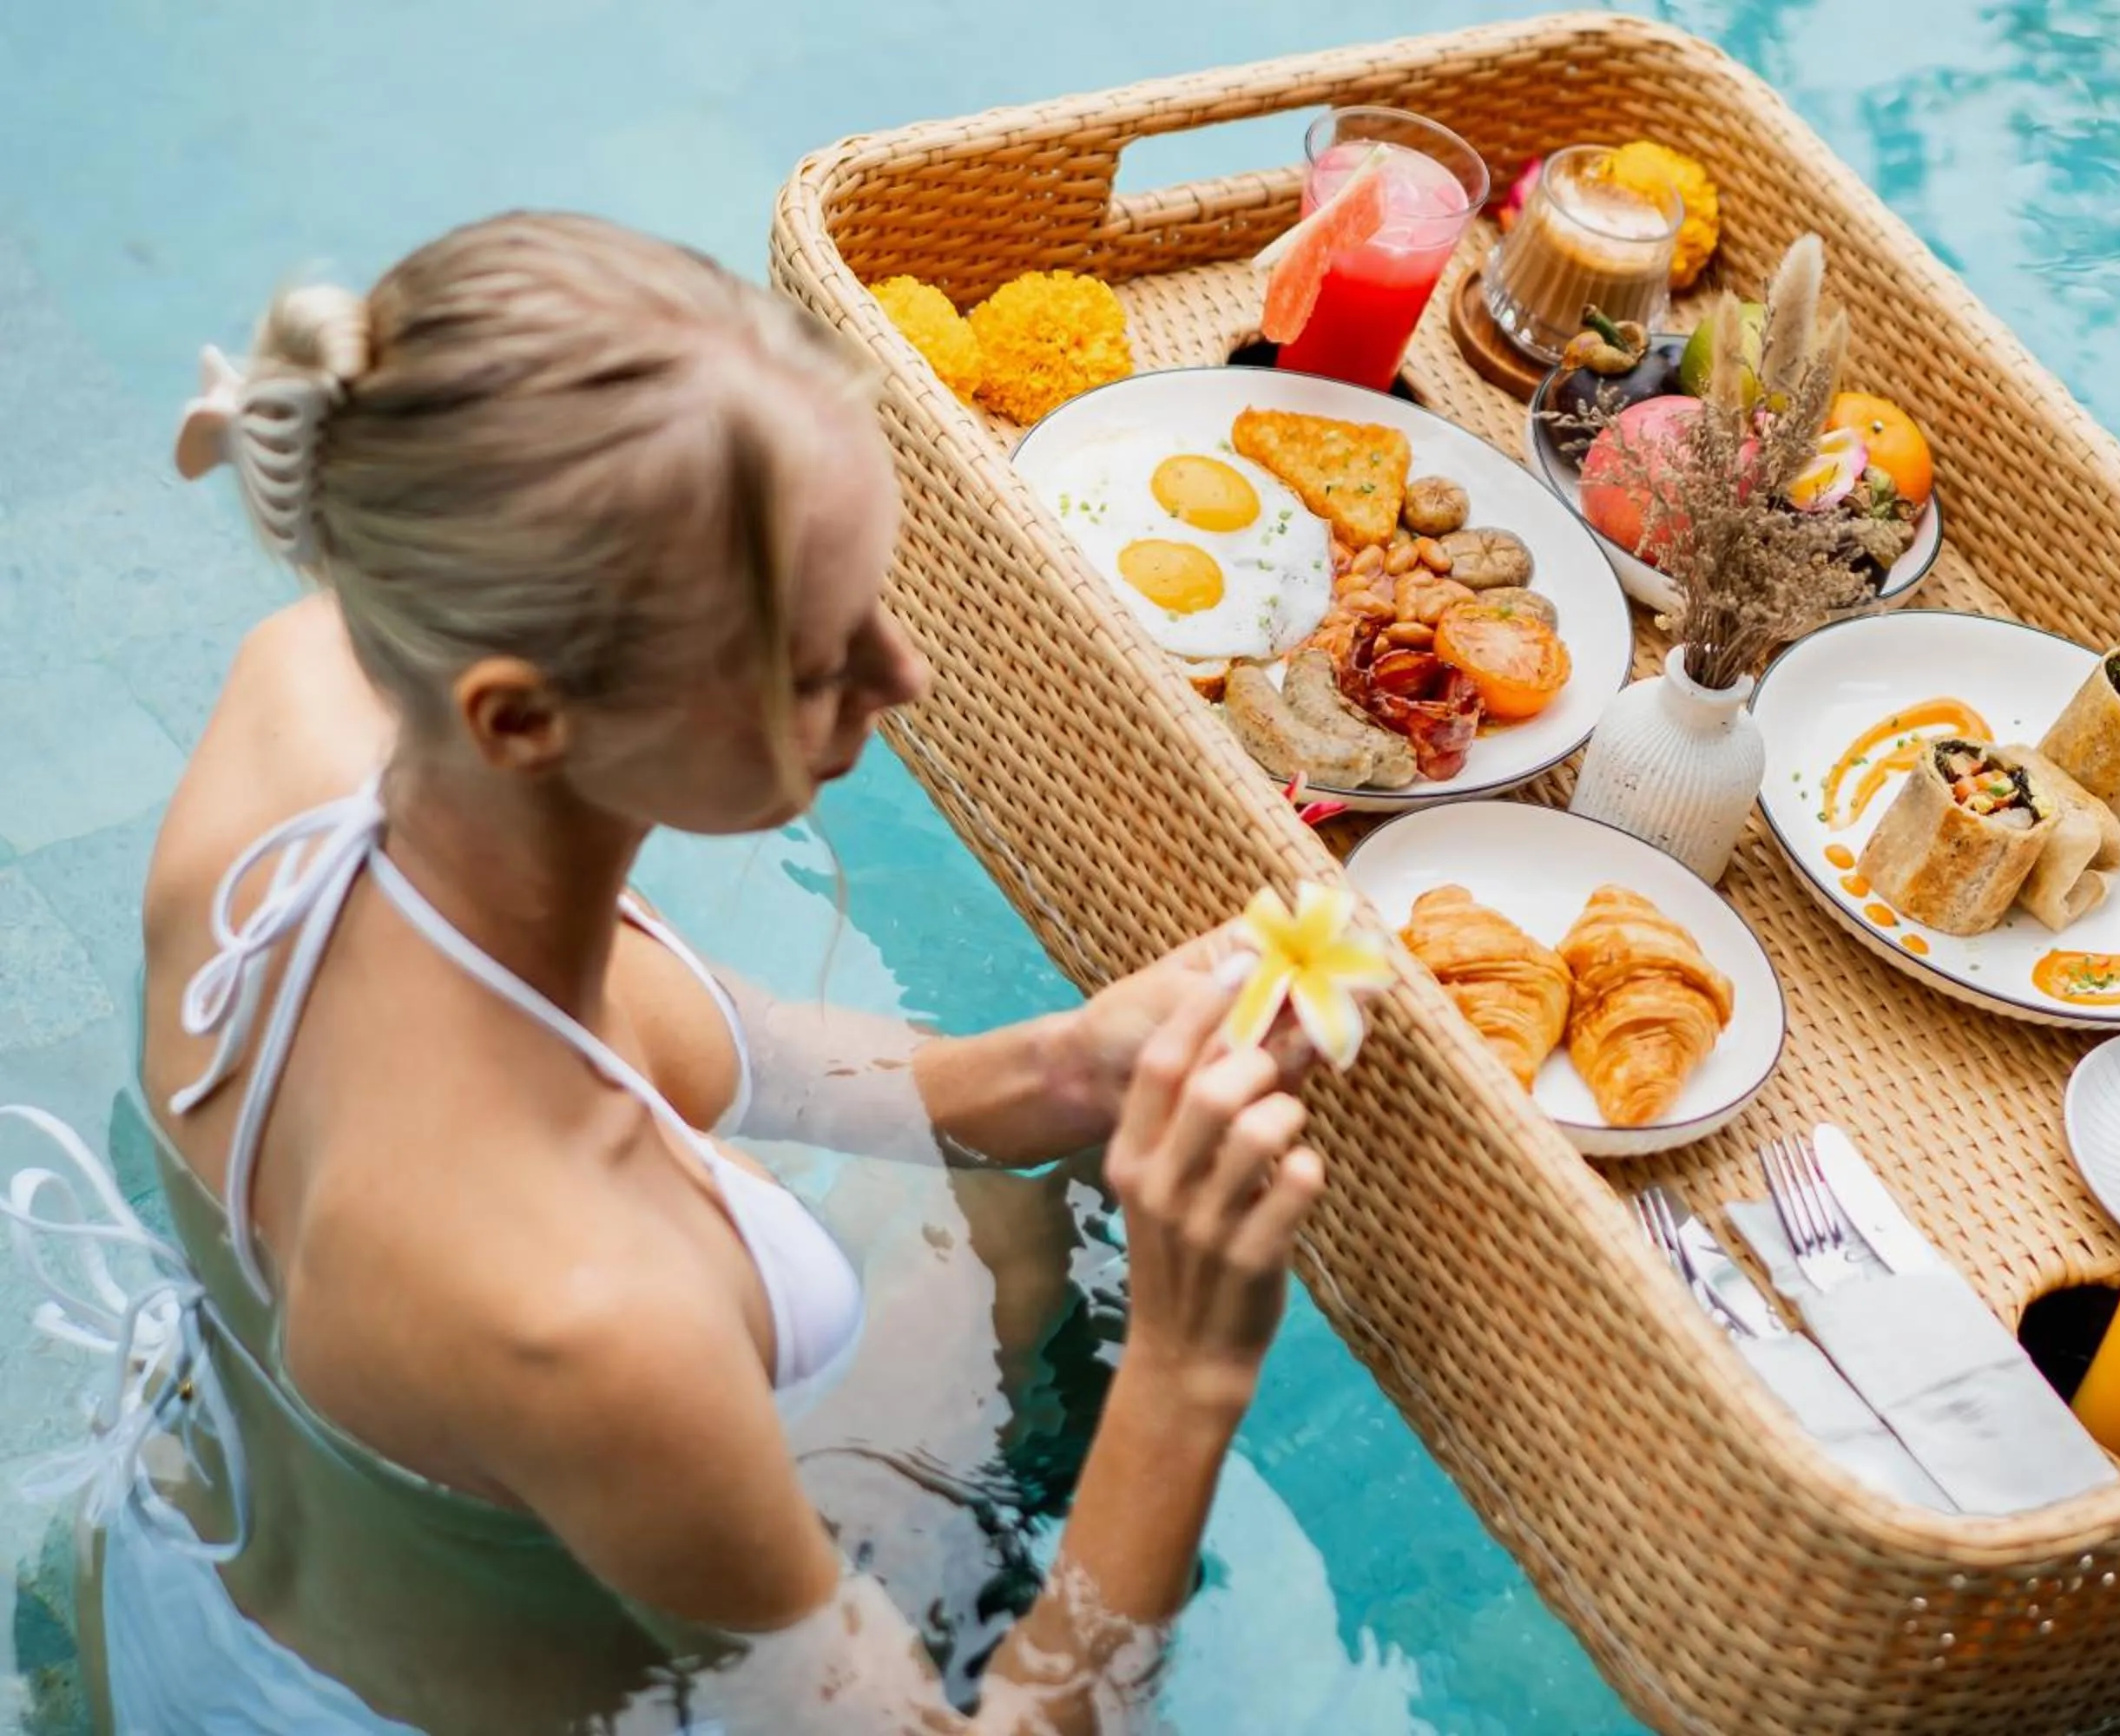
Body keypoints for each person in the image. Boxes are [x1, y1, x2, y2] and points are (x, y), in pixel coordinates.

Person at [0, 210, 1353, 1733]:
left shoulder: (314, 694)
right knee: (1032, 1268)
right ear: (523, 720)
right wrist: (1189, 1364)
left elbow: (694, 1038)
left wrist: (1063, 1069)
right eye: (813, 656)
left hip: (195, 1569)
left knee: (1008, 1196)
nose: (898, 677)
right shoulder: (583, 1317)